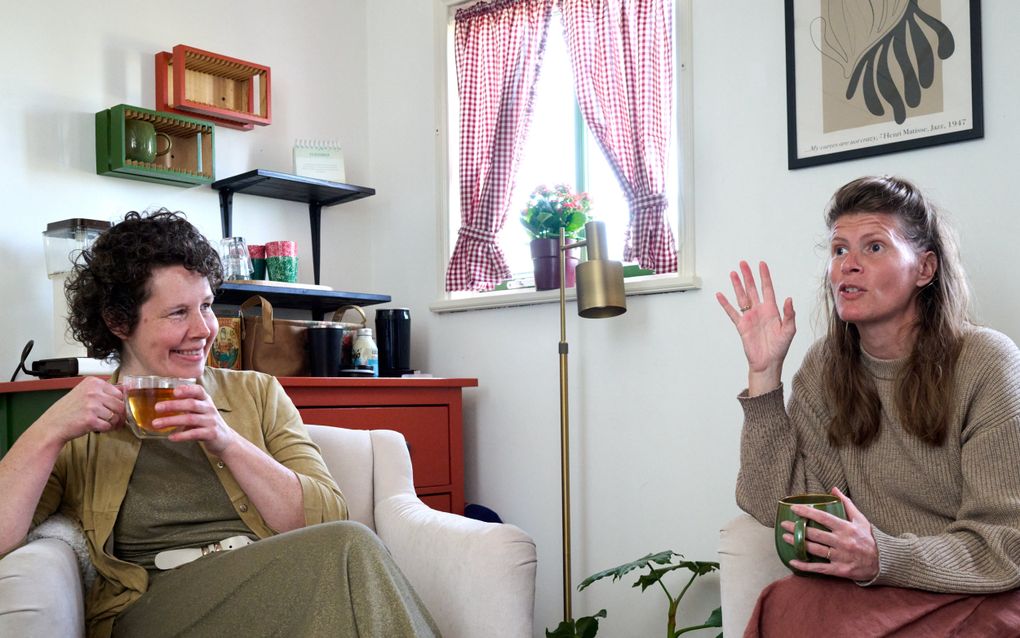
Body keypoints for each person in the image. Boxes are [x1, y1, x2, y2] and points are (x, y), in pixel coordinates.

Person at [0, 210, 440, 638]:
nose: (205, 329)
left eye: (207, 306)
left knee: (347, 547)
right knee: (348, 549)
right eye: (178, 313)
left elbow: (325, 516)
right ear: (119, 322)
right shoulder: (84, 422)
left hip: (273, 578)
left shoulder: (258, 393)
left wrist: (226, 440)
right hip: (157, 605)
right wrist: (47, 431)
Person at [717, 176, 1020, 634]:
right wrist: (764, 377)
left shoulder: (987, 362)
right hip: (873, 586)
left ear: (925, 268)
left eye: (874, 247)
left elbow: (1005, 542)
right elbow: (782, 505)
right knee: (786, 604)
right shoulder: (824, 368)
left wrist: (883, 555)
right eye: (839, 250)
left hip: (974, 585)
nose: (848, 266)